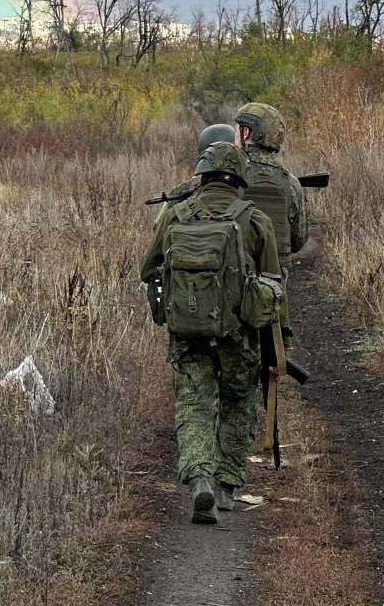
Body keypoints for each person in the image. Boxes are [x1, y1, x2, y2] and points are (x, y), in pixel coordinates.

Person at [140, 141, 282, 524]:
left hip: (187, 334)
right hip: (239, 337)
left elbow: (148, 268)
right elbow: (273, 282)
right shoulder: (254, 220)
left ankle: (199, 477)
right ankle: (225, 486)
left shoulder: (175, 214)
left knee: (194, 406)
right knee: (238, 403)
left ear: (201, 173)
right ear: (239, 176)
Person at [235, 102, 307, 347]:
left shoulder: (225, 175)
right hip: (274, 290)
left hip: (232, 286)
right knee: (273, 360)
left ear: (246, 134)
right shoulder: (291, 183)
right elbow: (299, 239)